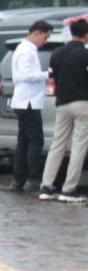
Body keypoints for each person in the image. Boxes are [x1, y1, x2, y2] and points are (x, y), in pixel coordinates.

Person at [47, 17, 88, 202]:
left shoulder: (56, 53)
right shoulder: (85, 55)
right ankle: (68, 189)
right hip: (82, 103)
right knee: (78, 146)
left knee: (57, 144)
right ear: (86, 36)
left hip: (62, 103)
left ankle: (46, 186)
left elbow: (51, 80)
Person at [12, 20, 53, 193]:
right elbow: (25, 74)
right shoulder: (25, 51)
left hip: (27, 100)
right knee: (35, 140)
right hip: (28, 101)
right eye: (45, 37)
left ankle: (19, 178)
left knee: (24, 141)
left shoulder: (28, 49)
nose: (45, 41)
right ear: (36, 33)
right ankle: (32, 177)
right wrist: (47, 75)